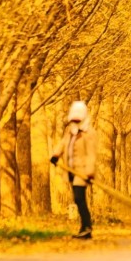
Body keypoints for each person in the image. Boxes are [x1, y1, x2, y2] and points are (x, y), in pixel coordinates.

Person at [50, 100, 98, 239]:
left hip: (82, 172)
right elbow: (63, 143)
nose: (75, 121)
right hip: (71, 170)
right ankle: (84, 228)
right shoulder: (70, 131)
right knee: (78, 199)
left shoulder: (89, 133)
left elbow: (91, 155)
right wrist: (55, 155)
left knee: (79, 198)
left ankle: (87, 227)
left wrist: (89, 172)